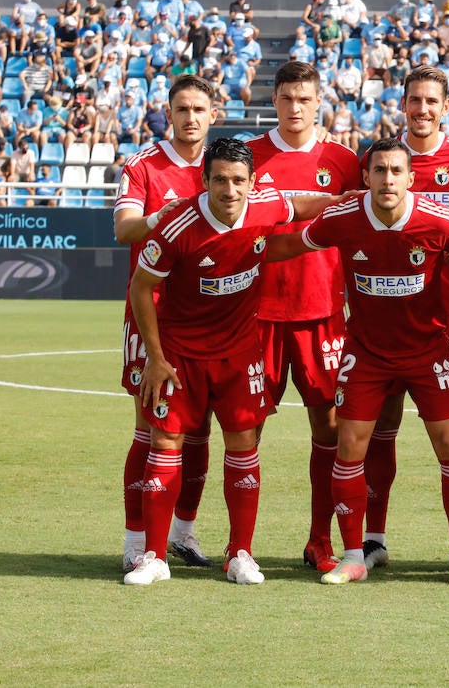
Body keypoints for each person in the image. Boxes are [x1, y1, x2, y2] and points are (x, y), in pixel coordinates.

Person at [282, 139, 449, 586]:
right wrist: (235, 246)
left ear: (410, 177)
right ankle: (353, 556)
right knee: (350, 448)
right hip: (367, 353)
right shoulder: (342, 218)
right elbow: (290, 244)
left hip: (428, 352)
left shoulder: (440, 222)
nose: (387, 179)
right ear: (365, 177)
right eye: (378, 170)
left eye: (395, 171)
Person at [122, 138, 333, 587]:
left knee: (243, 446)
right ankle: (154, 558)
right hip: (180, 355)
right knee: (165, 446)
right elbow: (141, 288)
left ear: (252, 183)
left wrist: (342, 201)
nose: (230, 189)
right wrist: (156, 359)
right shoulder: (178, 225)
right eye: (220, 179)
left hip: (239, 353)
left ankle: (240, 555)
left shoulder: (263, 205)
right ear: (205, 181)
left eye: (239, 180)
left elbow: (297, 203)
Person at [358, 66, 449, 575]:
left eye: (430, 101)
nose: (421, 109)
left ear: (446, 106)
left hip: (448, 317)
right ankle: (373, 538)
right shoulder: (377, 159)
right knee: (381, 426)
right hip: (384, 318)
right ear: (403, 104)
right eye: (413, 100)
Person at [246, 61, 362, 574]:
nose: (296, 107)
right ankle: (240, 543)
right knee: (244, 429)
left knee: (329, 429)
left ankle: (320, 539)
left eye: (305, 99)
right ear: (275, 100)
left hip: (323, 314)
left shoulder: (344, 160)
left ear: (320, 103)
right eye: (288, 97)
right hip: (256, 313)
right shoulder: (249, 156)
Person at [112, 76, 218, 575]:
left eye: (199, 109)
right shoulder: (144, 165)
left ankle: (182, 533)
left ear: (212, 115)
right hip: (154, 316)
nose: (190, 117)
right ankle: (136, 542)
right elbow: (124, 228)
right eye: (182, 109)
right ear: (168, 113)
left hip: (213, 318)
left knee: (199, 435)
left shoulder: (227, 169)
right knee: (152, 430)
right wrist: (165, 216)